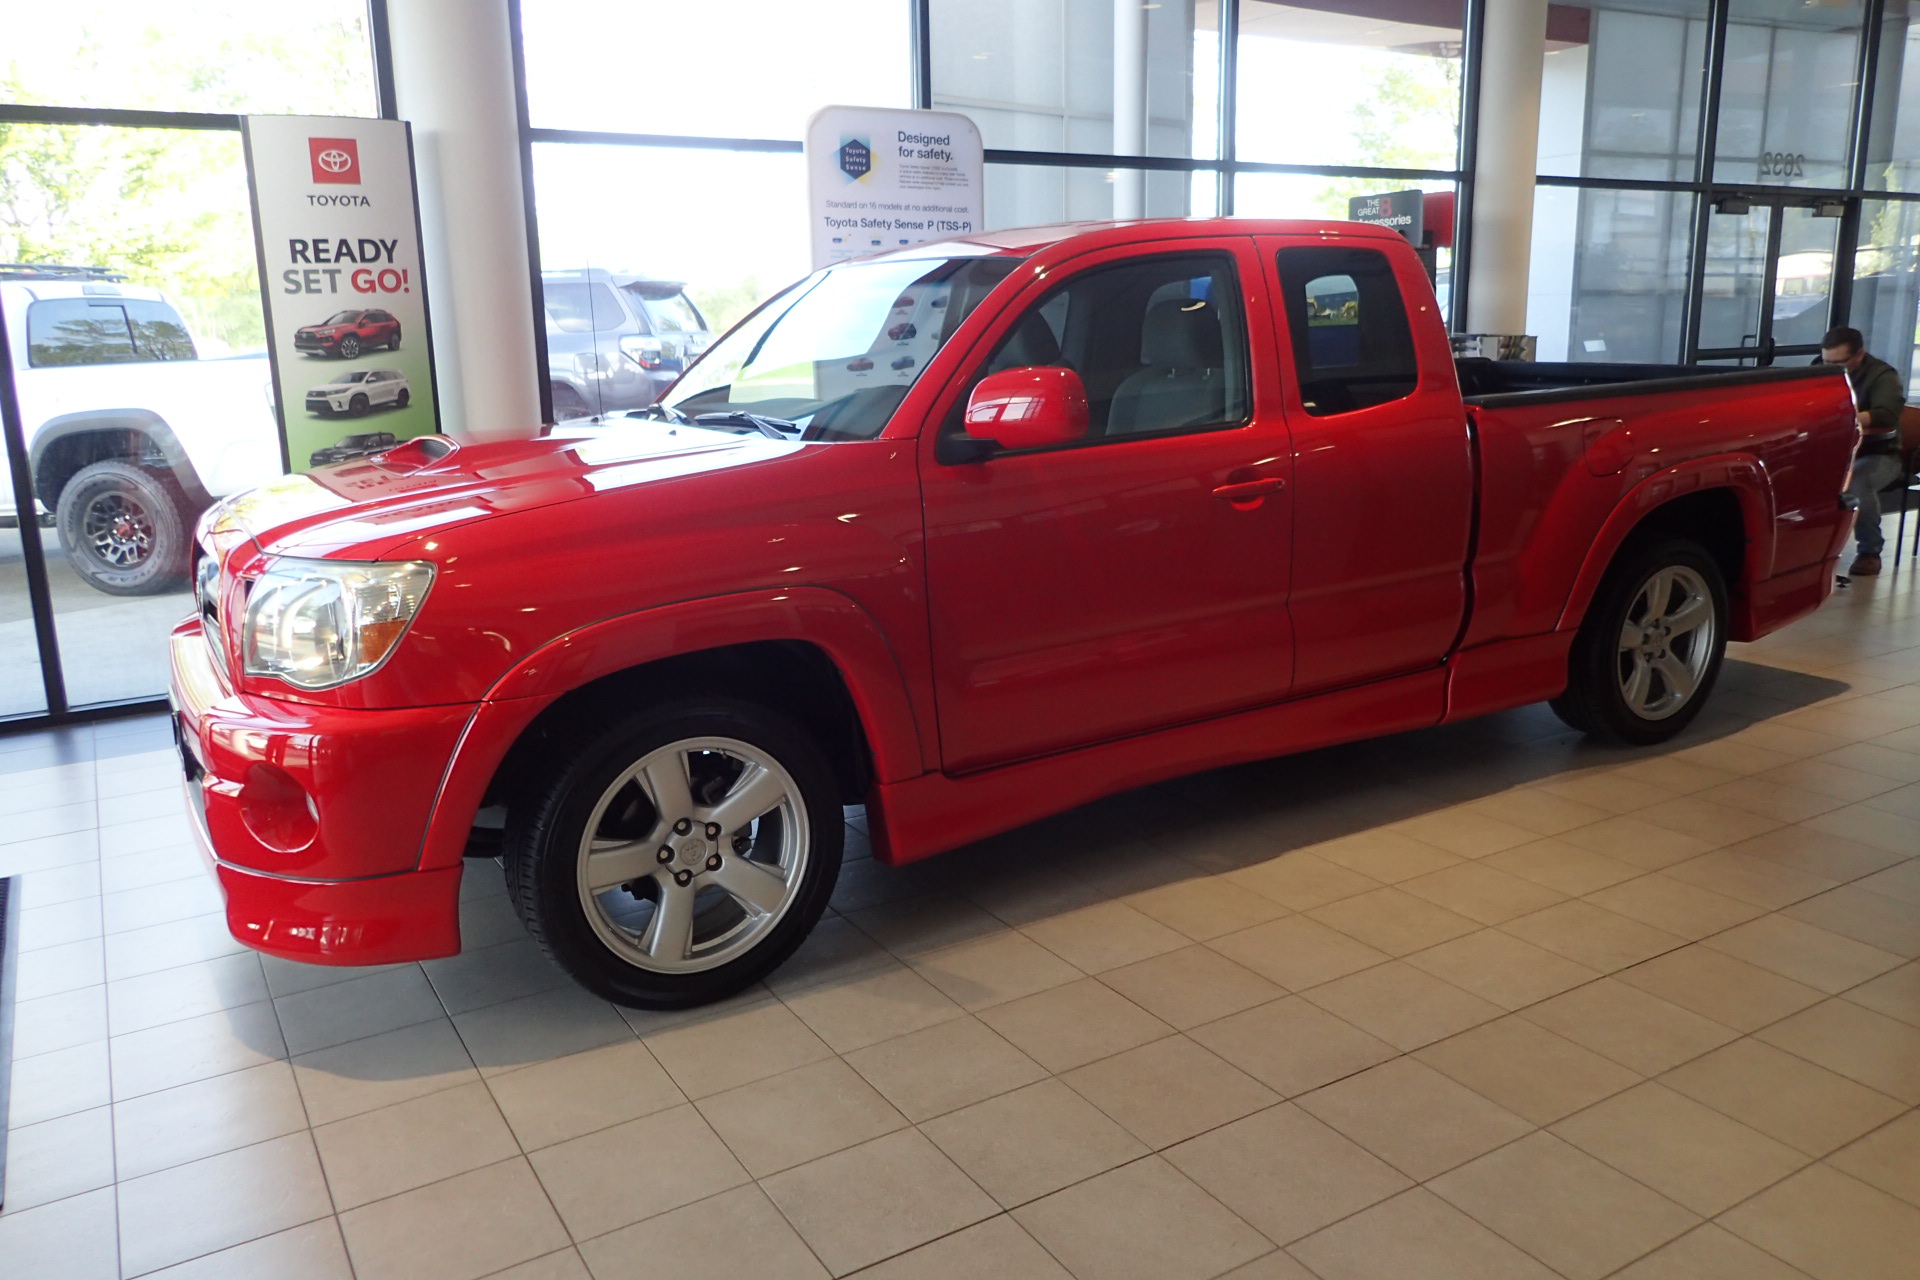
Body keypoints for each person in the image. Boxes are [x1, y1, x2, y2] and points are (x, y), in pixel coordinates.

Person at [1820, 326, 1906, 576]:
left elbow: (1887, 413)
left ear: (1859, 355)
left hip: (1879, 453)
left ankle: (1870, 551)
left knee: (1857, 482)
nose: (1832, 369)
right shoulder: (1820, 367)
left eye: (1840, 363)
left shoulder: (1882, 376)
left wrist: (1848, 417)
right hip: (1834, 452)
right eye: (1827, 362)